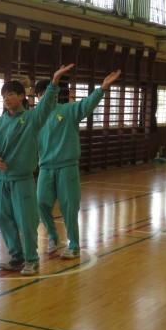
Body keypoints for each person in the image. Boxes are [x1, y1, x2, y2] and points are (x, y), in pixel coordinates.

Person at [0, 65, 73, 276]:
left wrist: (54, 82)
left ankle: (32, 259)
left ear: (22, 96)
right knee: (3, 218)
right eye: (4, 96)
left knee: (26, 220)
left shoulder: (32, 119)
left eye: (10, 94)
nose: (6, 99)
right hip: (1, 181)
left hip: (22, 180)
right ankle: (16, 256)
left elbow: (46, 104)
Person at [35, 69, 121, 259]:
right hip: (45, 168)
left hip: (67, 167)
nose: (42, 97)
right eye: (39, 94)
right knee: (41, 202)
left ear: (54, 94)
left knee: (69, 207)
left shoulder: (68, 110)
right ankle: (53, 236)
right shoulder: (36, 117)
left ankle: (73, 245)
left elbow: (87, 104)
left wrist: (102, 89)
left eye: (45, 93)